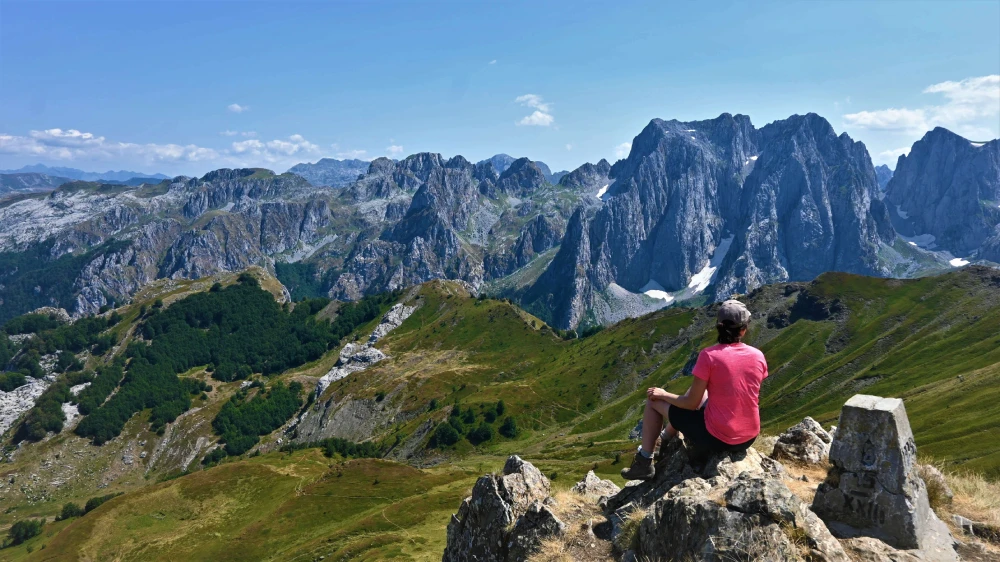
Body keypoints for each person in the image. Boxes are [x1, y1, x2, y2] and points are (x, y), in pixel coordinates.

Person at [621, 299, 768, 480]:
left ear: (718, 327)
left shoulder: (709, 356)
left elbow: (690, 404)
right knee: (702, 392)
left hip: (719, 439)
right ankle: (664, 439)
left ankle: (644, 462)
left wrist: (664, 394)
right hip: (749, 436)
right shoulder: (758, 355)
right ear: (743, 329)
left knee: (654, 401)